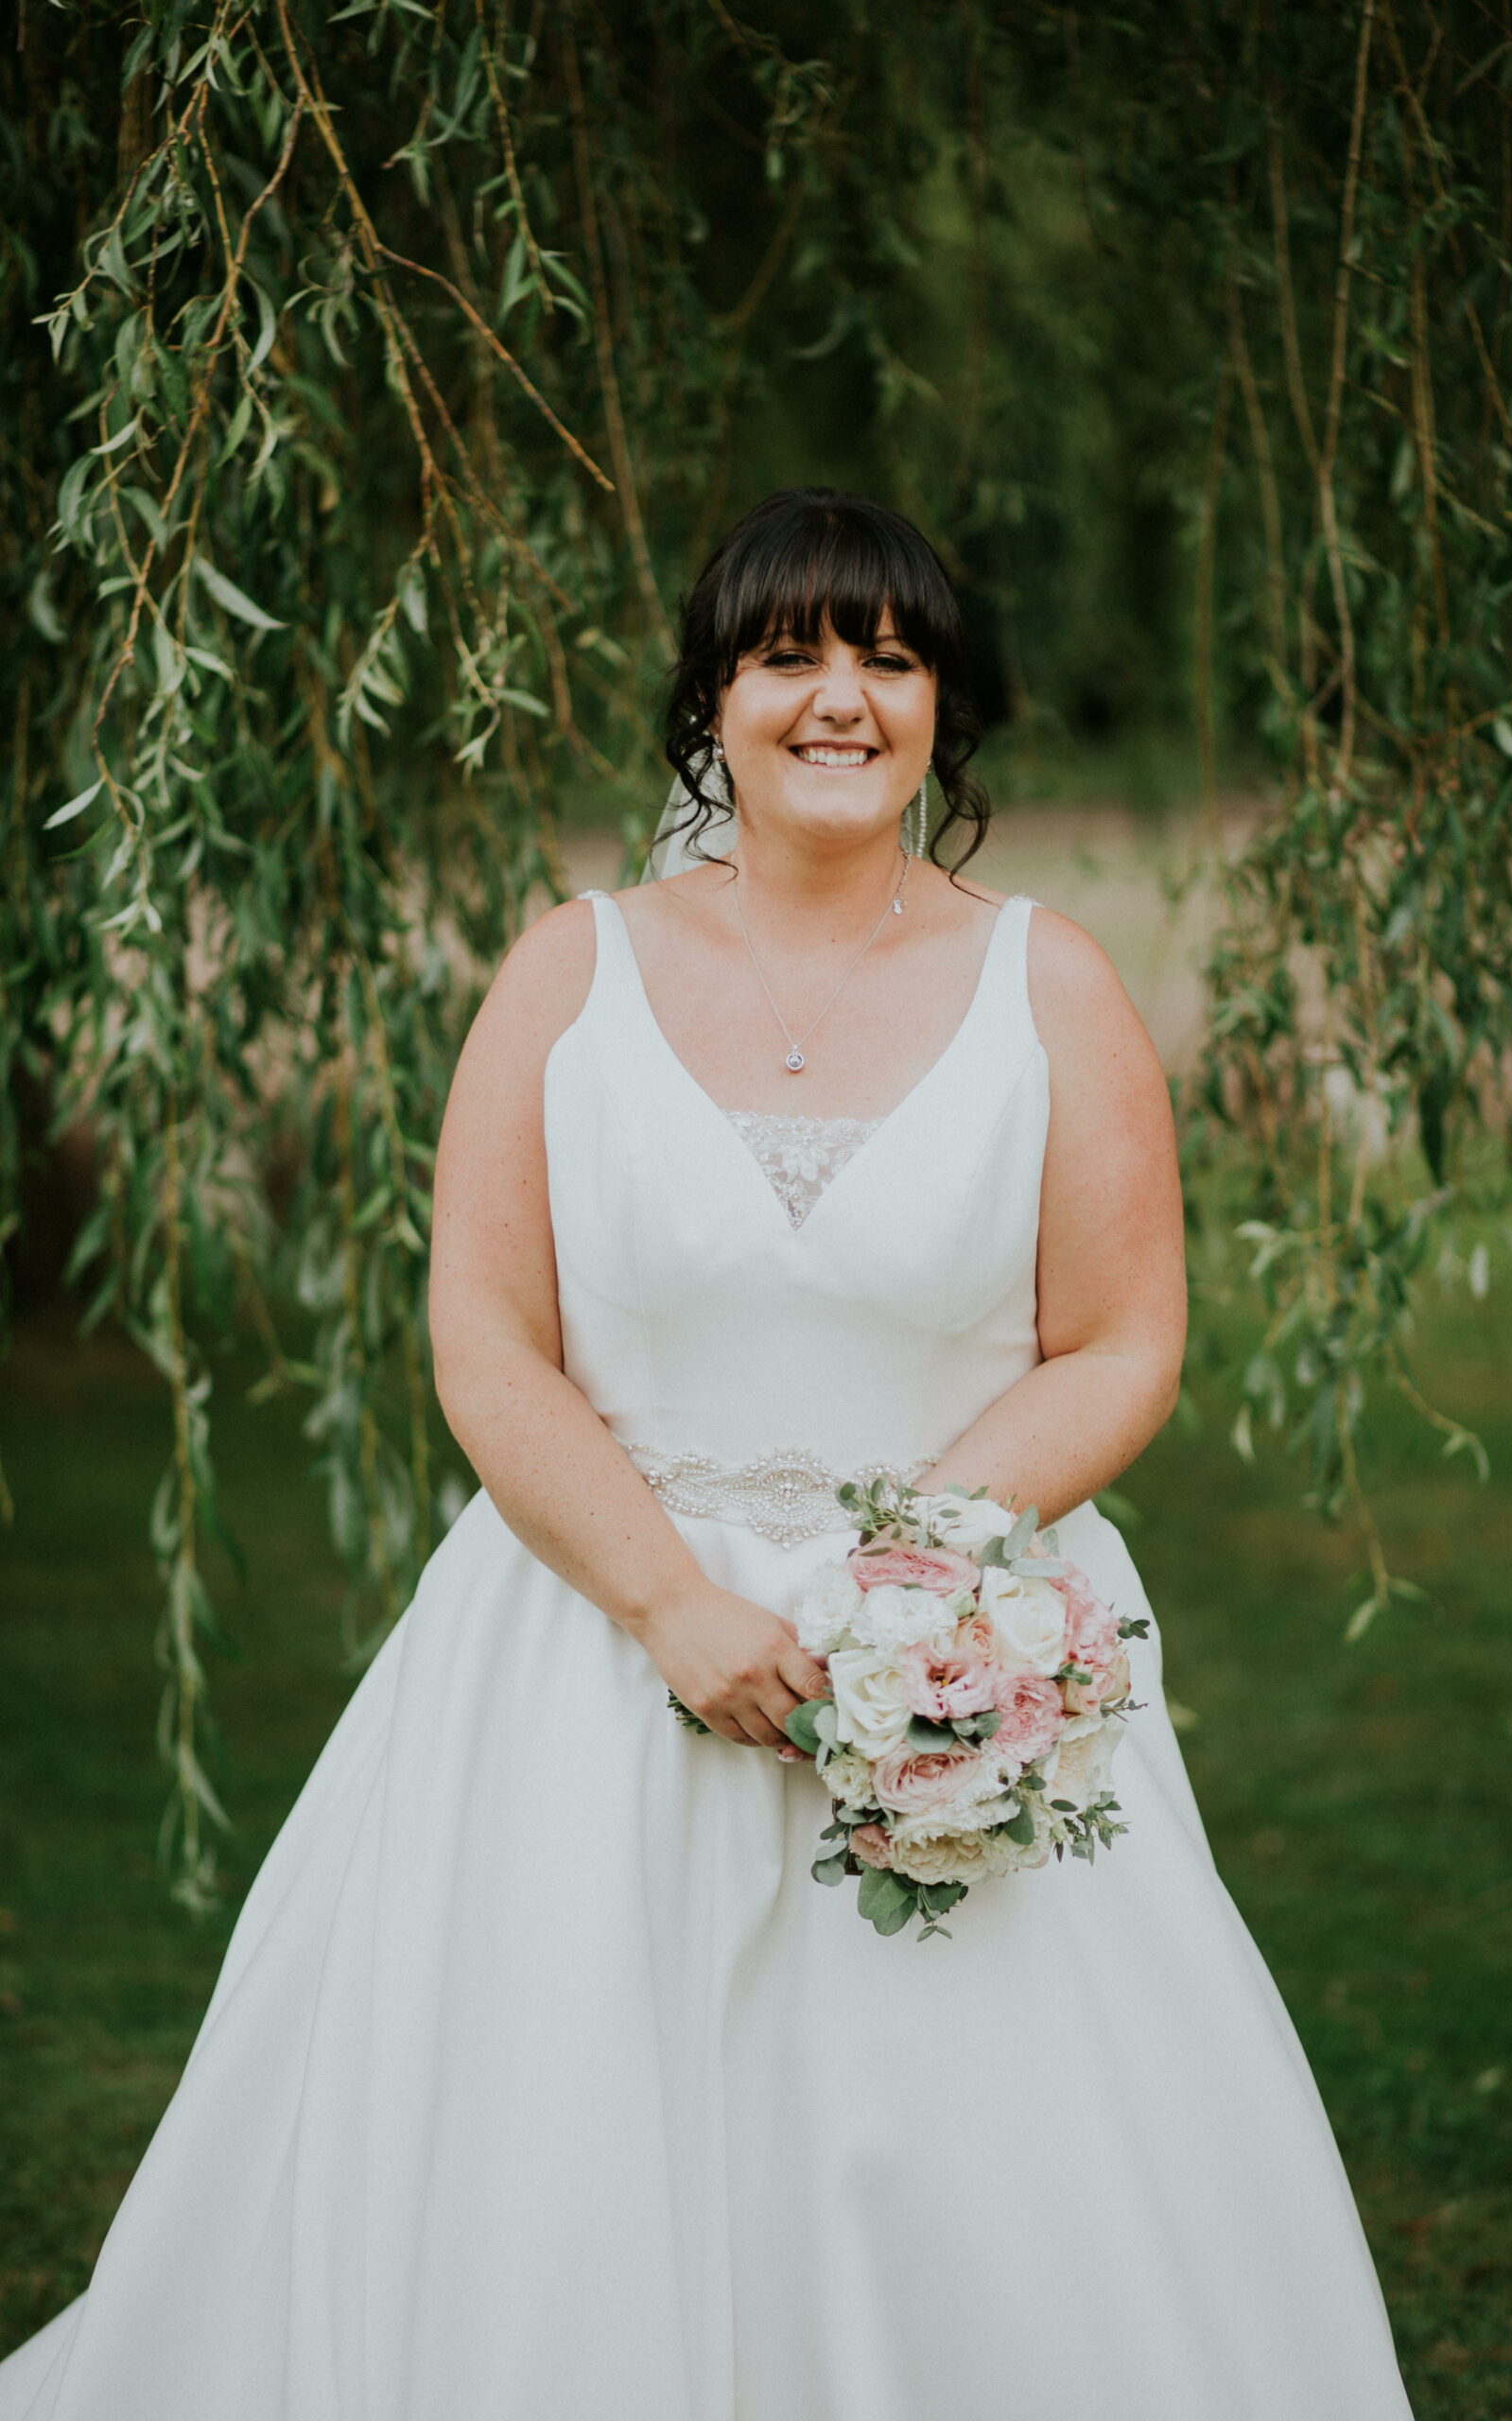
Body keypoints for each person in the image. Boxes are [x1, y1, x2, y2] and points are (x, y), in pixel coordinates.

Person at [0, 487, 1413, 2419]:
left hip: (959, 1641)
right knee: (558, 2140)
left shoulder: (1051, 987)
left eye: (889, 659)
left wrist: (919, 1579)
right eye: (789, 654)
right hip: (582, 1650)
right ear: (711, 701)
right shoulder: (565, 975)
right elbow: (484, 1337)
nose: (841, 697)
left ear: (941, 712)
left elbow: (1123, 1338)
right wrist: (671, 1598)